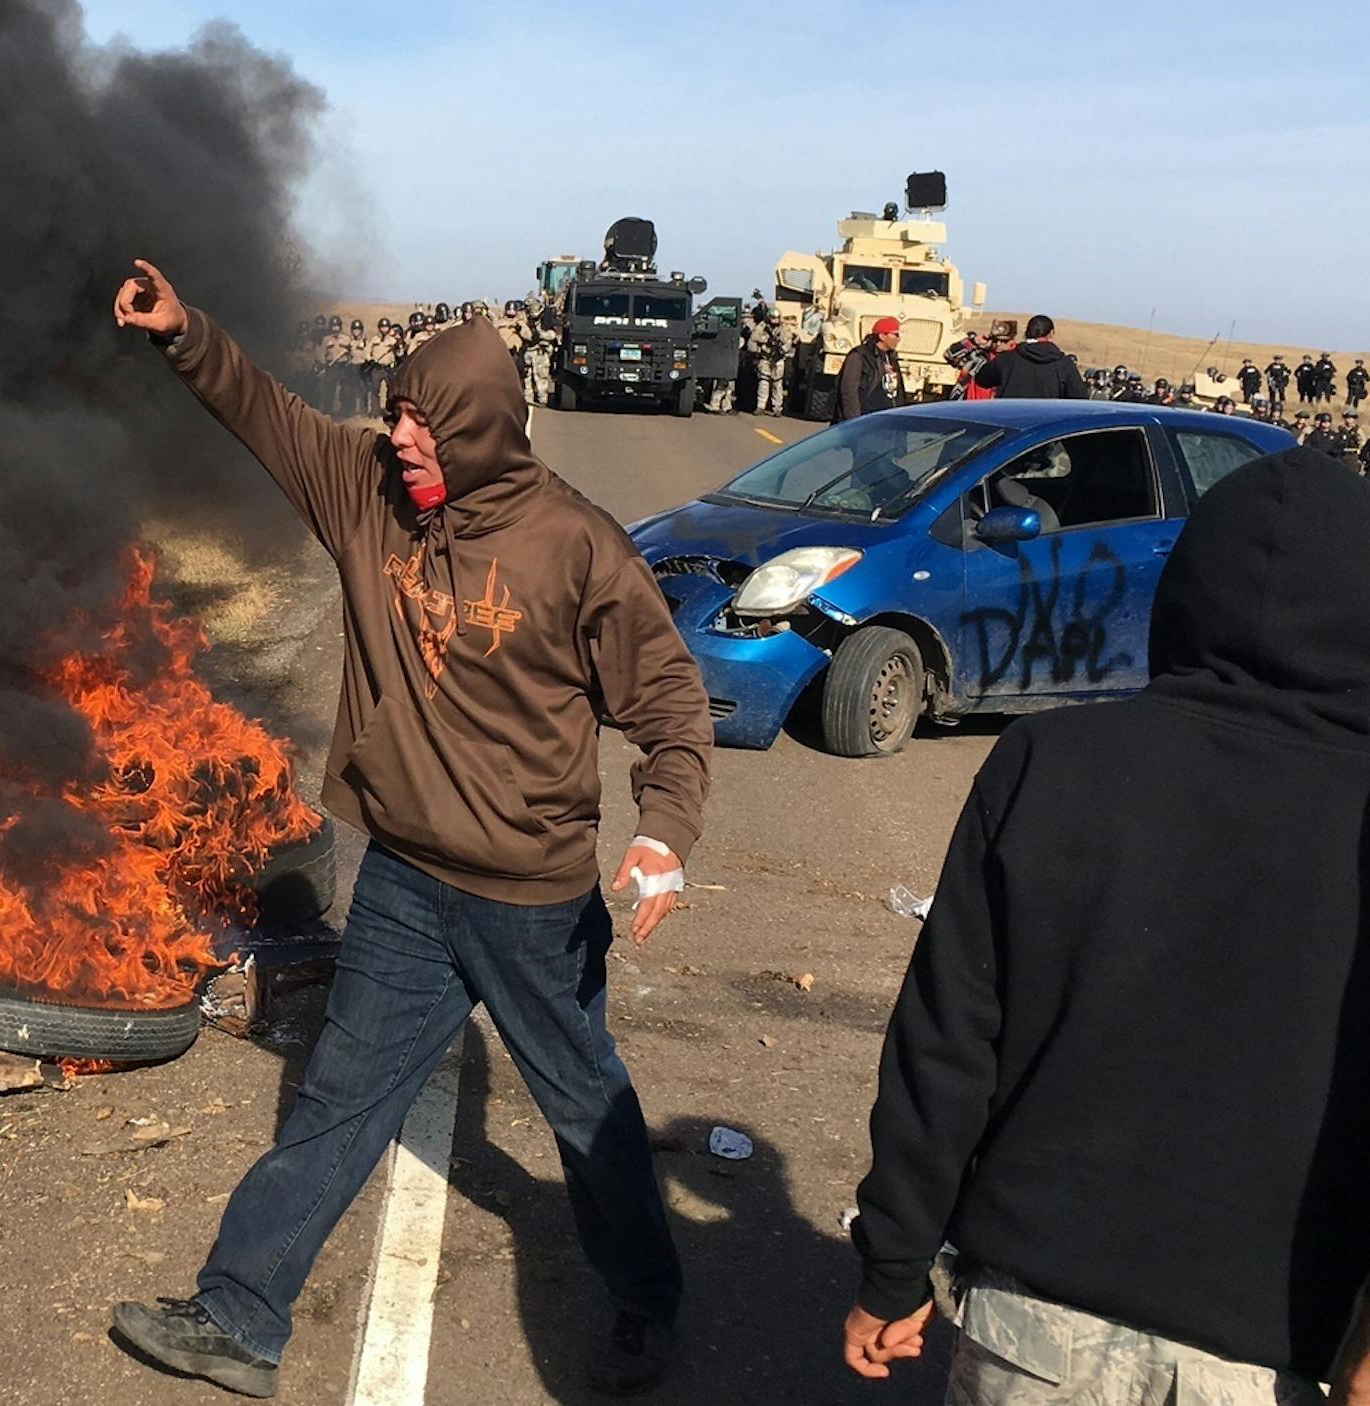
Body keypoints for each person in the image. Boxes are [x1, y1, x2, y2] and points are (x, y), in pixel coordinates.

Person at [110, 259, 711, 1400]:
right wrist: (185, 331)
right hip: (403, 881)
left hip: (531, 899)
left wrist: (664, 830)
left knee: (587, 1104)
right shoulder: (369, 489)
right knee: (340, 1095)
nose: (403, 444)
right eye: (395, 419)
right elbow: (269, 414)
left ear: (485, 428)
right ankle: (241, 1314)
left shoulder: (578, 548)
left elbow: (672, 707)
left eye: (427, 427)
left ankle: (646, 1297)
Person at [842, 447, 1370, 1406]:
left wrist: (893, 1265)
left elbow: (946, 1043)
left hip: (1035, 1332)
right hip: (1273, 1354)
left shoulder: (1052, 761)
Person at [835, 317, 904, 421]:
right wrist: (854, 422)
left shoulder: (891, 357)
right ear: (882, 336)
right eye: (896, 335)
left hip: (887, 422)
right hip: (865, 420)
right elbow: (849, 392)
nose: (899, 339)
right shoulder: (859, 356)